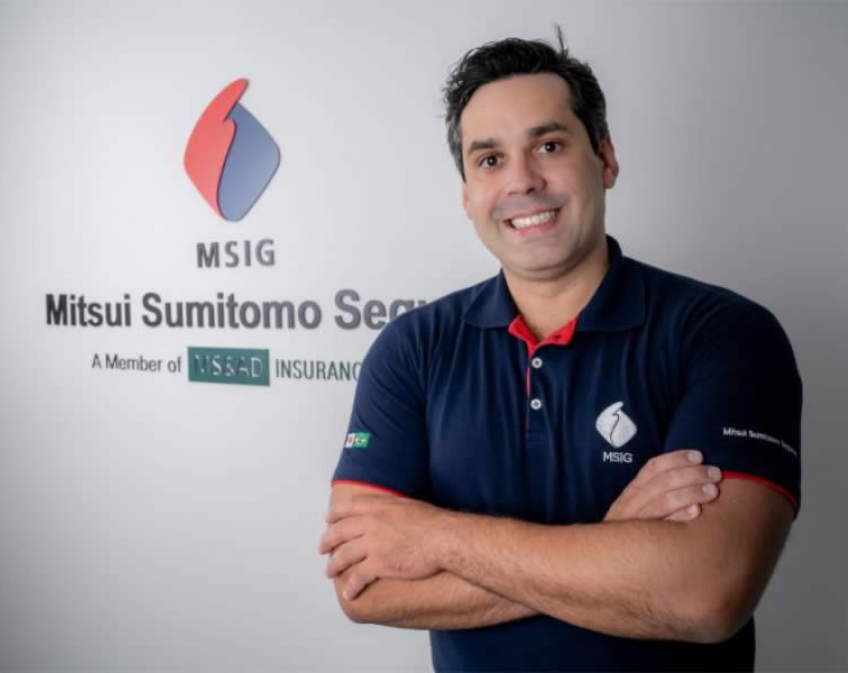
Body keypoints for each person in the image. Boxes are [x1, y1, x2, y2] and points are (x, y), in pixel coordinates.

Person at [319, 30, 801, 672]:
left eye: (548, 146)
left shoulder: (724, 333)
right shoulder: (413, 348)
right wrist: (615, 542)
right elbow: (366, 586)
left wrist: (435, 537)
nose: (522, 181)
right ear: (466, 193)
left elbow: (706, 594)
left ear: (605, 158)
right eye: (490, 159)